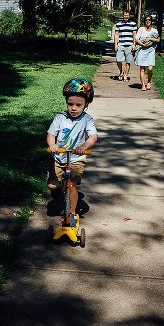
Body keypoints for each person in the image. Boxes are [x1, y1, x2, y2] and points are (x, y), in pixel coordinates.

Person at [46, 78, 98, 221]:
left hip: (76, 158)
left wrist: (84, 147)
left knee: (71, 185)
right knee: (52, 185)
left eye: (78, 105)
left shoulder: (87, 120)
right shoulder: (60, 118)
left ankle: (71, 213)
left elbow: (93, 136)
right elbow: (51, 134)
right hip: (59, 157)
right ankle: (57, 190)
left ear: (86, 104)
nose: (73, 108)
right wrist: (52, 145)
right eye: (70, 104)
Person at [134, 15, 160, 91]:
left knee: (150, 68)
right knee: (142, 69)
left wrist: (150, 38)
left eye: (149, 20)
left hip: (151, 50)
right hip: (142, 49)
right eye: (146, 20)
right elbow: (136, 39)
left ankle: (149, 81)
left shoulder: (154, 30)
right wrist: (142, 44)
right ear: (144, 21)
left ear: (151, 21)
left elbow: (158, 40)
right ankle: (143, 85)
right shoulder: (141, 29)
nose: (147, 21)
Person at [113, 9, 137, 82]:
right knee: (118, 60)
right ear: (123, 15)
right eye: (124, 15)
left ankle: (125, 76)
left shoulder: (133, 24)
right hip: (121, 45)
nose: (126, 16)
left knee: (128, 61)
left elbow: (134, 35)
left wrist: (134, 44)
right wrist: (116, 44)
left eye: (127, 15)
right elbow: (116, 35)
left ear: (129, 16)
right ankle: (121, 72)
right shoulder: (118, 24)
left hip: (129, 45)